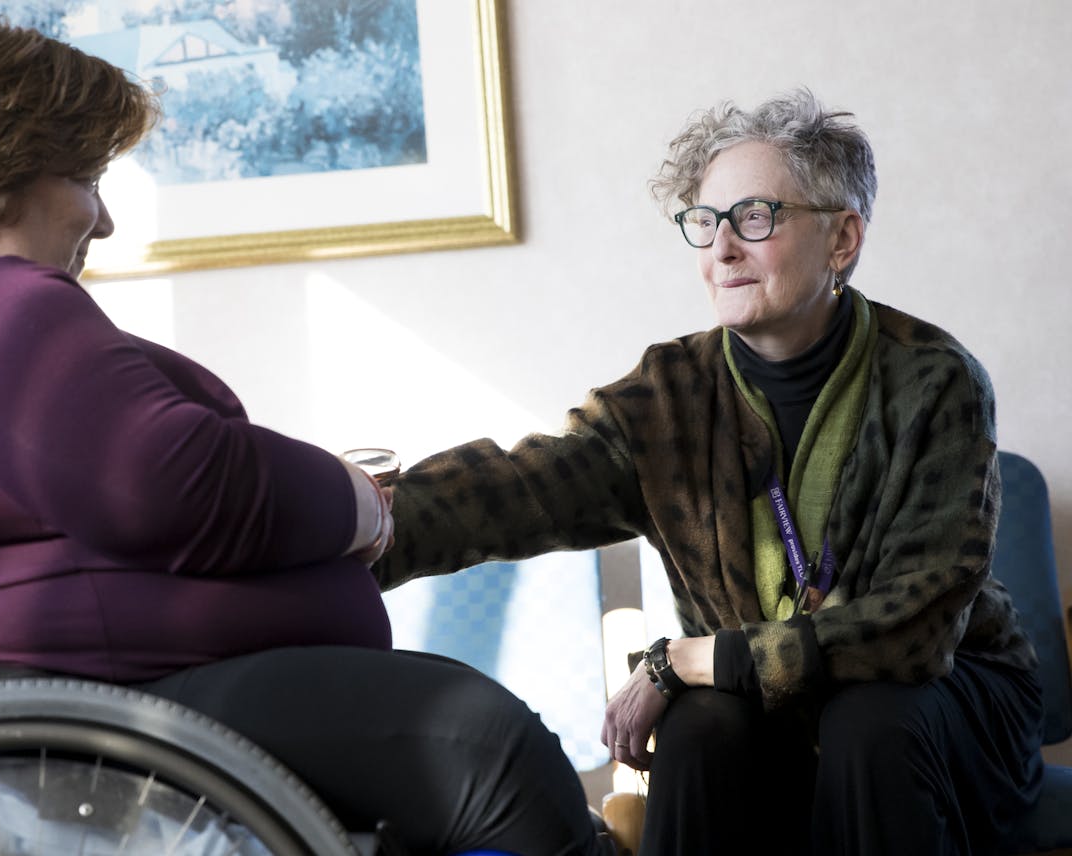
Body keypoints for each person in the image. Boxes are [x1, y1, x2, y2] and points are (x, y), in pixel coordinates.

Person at [0, 14, 604, 856]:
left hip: (85, 716)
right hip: (82, 732)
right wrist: (359, 505)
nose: (102, 222)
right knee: (490, 752)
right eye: (87, 177)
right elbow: (165, 483)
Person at [375, 88, 1043, 856]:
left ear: (843, 238)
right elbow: (519, 489)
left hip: (944, 705)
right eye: (705, 222)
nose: (722, 248)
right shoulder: (668, 395)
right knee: (696, 728)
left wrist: (694, 658)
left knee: (869, 720)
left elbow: (915, 635)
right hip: (764, 702)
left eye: (755, 217)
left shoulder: (935, 380)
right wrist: (358, 522)